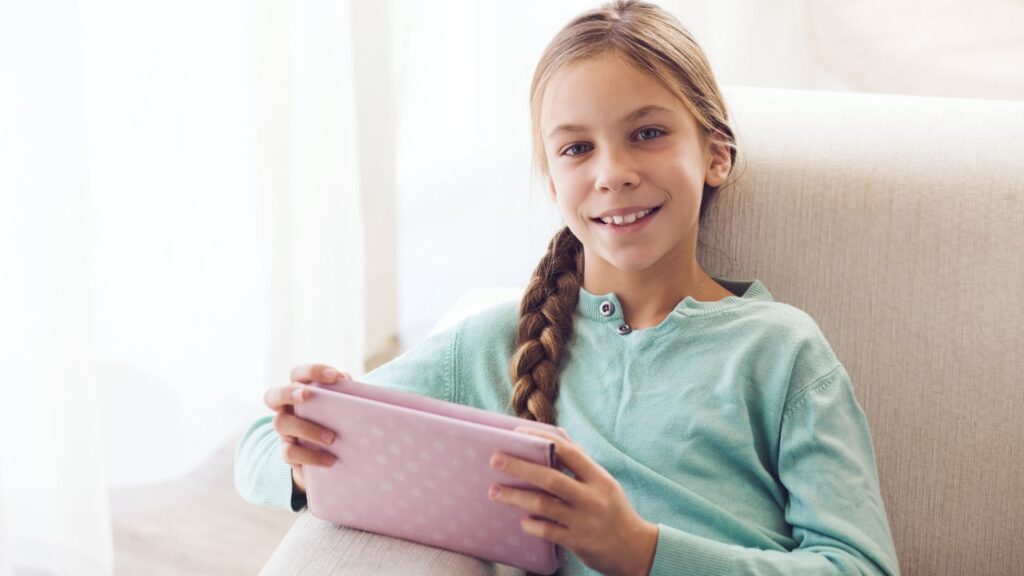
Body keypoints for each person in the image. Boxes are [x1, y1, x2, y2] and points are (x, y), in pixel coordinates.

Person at [235, 1, 900, 575]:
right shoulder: (490, 346)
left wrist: (641, 552)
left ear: (716, 154)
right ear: (553, 184)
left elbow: (861, 564)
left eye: (646, 134)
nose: (612, 173)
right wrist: (308, 452)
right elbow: (258, 448)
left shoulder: (781, 351)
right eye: (577, 149)